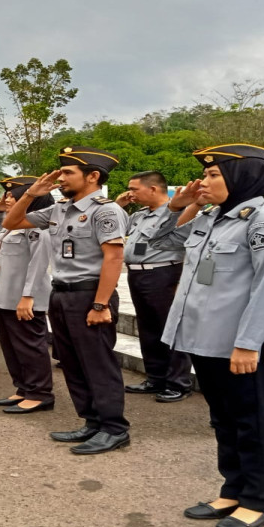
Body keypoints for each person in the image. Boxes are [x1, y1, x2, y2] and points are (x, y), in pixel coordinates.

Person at [149, 143, 264, 527]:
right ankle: (234, 489)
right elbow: (157, 245)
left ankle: (260, 501)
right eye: (207, 174)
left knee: (254, 423)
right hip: (206, 340)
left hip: (243, 346)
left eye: (214, 175)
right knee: (225, 421)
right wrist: (177, 206)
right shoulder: (210, 218)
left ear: (241, 177)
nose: (204, 181)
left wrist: (248, 343)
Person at [3, 146, 131, 455]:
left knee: (98, 364)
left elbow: (113, 259)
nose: (60, 178)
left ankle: (114, 428)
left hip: (90, 295)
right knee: (72, 363)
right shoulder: (58, 209)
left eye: (68, 173)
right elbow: (11, 223)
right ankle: (91, 421)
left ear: (93, 176)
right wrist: (31, 194)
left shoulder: (106, 210)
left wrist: (100, 305)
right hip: (61, 294)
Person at [116, 171, 194, 403]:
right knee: (148, 329)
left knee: (169, 328)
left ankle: (178, 382)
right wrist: (119, 207)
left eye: (134, 189)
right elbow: (118, 230)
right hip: (138, 275)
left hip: (164, 274)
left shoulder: (178, 212)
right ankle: (155, 377)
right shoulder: (140, 214)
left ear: (153, 189)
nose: (130, 193)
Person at [0, 176, 55, 414]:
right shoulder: (12, 226)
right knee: (12, 346)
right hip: (5, 295)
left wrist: (28, 296)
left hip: (24, 298)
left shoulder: (38, 227)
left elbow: (39, 264)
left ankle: (40, 393)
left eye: (14, 195)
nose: (9, 199)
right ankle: (23, 387)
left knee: (30, 345)